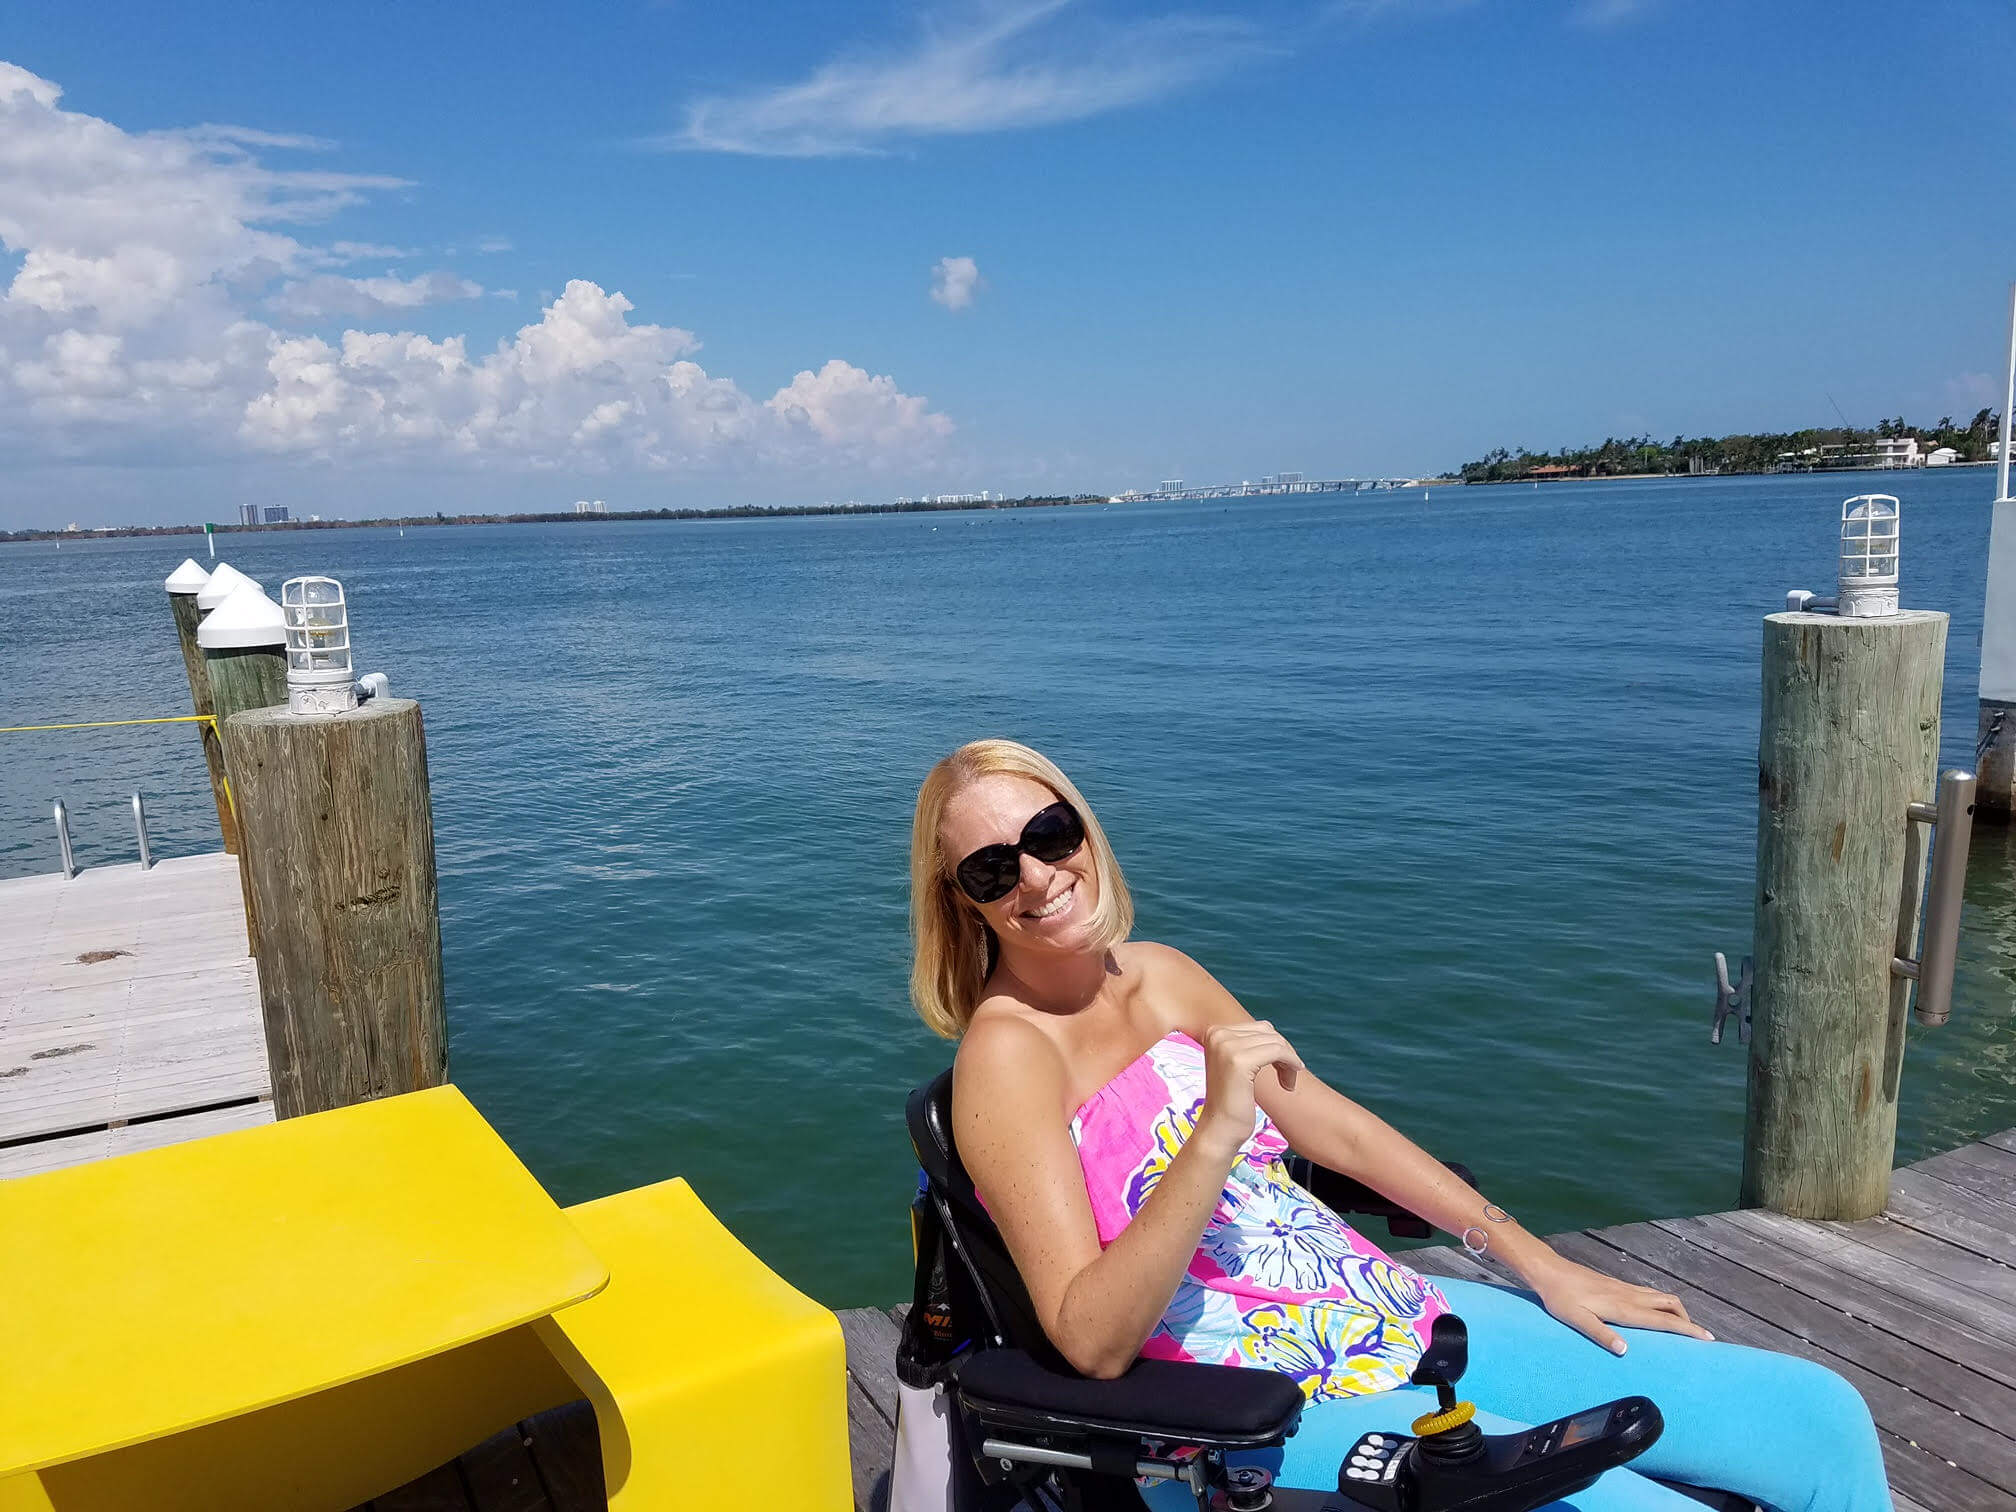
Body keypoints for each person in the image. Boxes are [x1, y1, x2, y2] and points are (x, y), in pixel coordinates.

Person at [908, 738, 1889, 1512]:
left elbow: (1339, 1129)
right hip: (1246, 1408)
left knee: (1820, 1420)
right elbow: (1090, 1339)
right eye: (993, 870)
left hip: (1386, 1312)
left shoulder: (1159, 974)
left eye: (1049, 832)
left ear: (1082, 823)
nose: (1037, 876)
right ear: (963, 906)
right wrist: (1215, 1135)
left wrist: (1532, 1259)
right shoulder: (1008, 1058)